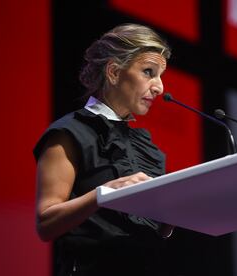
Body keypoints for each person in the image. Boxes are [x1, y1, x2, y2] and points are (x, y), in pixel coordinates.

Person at [33, 23, 175, 276]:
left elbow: (153, 231)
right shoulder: (69, 133)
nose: (159, 87)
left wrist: (174, 215)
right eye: (148, 72)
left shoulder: (147, 148)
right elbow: (46, 223)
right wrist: (105, 193)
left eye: (160, 75)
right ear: (113, 72)